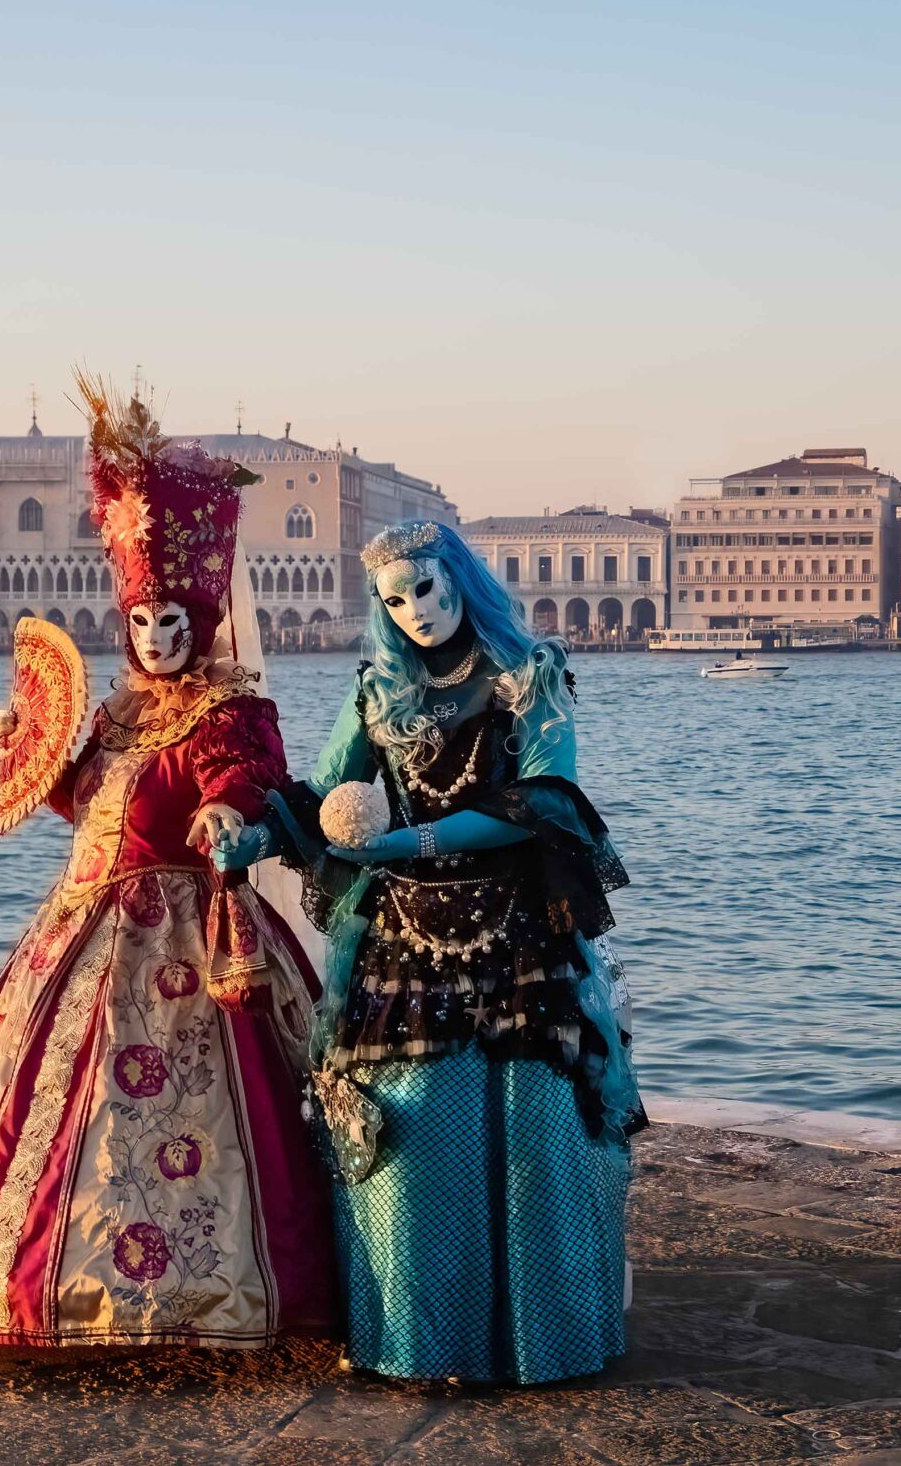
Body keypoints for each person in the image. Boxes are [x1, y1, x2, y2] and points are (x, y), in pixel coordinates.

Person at [0, 378, 332, 1347]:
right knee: (36, 1117)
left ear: (198, 621)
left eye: (171, 624)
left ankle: (202, 1295)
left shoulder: (225, 710)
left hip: (180, 944)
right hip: (79, 928)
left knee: (193, 1126)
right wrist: (21, 744)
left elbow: (245, 776)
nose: (154, 640)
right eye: (142, 623)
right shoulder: (112, 713)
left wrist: (227, 816)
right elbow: (86, 801)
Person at [217, 519, 644, 1384]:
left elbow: (546, 800)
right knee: (409, 1143)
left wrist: (405, 844)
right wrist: (250, 838)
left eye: (428, 589)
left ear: (460, 580)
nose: (415, 610)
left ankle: (543, 1341)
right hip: (404, 948)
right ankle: (421, 1340)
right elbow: (321, 796)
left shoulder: (531, 677)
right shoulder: (378, 691)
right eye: (395, 597)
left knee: (532, 1139)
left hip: (519, 944)